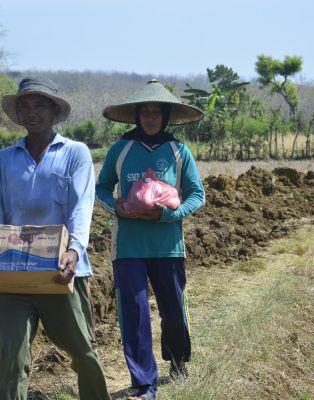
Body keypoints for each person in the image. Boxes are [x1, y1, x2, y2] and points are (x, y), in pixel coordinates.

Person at [0, 77, 110, 400]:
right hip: (12, 273)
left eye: (40, 105)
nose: (33, 112)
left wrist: (74, 252)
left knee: (83, 351)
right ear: (18, 113)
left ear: (54, 111)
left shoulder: (75, 153)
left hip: (62, 272)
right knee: (10, 357)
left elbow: (82, 207)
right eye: (26, 106)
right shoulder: (5, 159)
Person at [96, 79, 205, 400]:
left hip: (168, 247)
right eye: (145, 112)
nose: (151, 118)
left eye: (157, 113)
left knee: (173, 308)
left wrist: (169, 214)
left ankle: (178, 359)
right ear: (136, 116)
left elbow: (196, 194)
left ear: (166, 116)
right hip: (128, 246)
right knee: (134, 313)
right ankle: (144, 383)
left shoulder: (178, 152)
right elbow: (101, 188)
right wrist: (116, 206)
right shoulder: (120, 150)